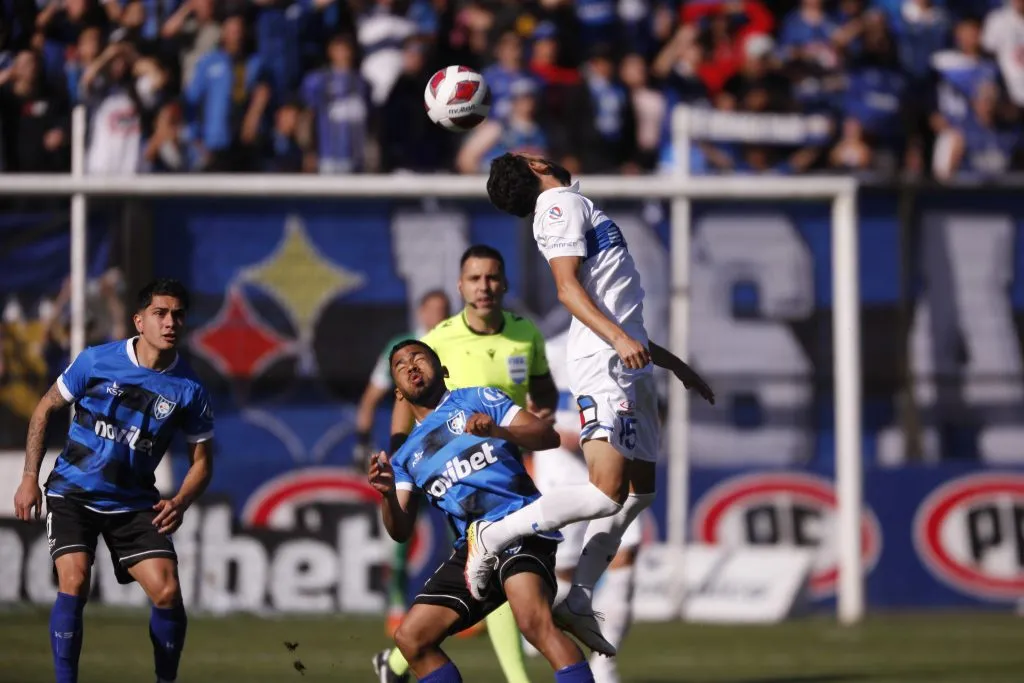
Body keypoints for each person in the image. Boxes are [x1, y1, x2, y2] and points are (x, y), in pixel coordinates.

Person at [473, 153, 714, 655]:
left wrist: (673, 364)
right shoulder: (558, 204)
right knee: (606, 493)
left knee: (638, 494)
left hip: (631, 365)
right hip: (604, 364)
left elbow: (617, 309)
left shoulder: (572, 202)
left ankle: (578, 598)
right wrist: (618, 343)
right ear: (536, 166)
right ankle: (494, 535)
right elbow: (567, 289)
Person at [13, 278, 215, 683]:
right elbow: (44, 410)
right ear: (139, 321)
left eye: (177, 314)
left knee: (168, 591)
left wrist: (182, 501)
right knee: (75, 579)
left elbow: (202, 463)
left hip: (134, 502)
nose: (170, 322)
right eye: (160, 313)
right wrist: (29, 478)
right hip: (72, 493)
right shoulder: (95, 361)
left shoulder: (189, 389)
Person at [375, 244, 558, 683]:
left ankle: (396, 663)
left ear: (505, 283)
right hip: (453, 472)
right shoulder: (436, 341)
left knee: (493, 569)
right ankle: (515, 677)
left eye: (492, 278)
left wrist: (540, 411)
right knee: (488, 560)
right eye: (475, 279)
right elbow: (408, 408)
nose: (484, 287)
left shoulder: (524, 333)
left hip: (511, 456)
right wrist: (406, 465)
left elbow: (544, 390)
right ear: (462, 286)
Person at [368, 340, 595, 683]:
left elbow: (546, 436)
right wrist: (386, 494)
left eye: (420, 358)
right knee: (411, 639)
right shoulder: (403, 459)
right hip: (475, 551)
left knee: (534, 622)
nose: (411, 366)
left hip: (521, 525)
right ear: (398, 392)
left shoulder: (477, 399)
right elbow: (400, 530)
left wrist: (498, 430)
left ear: (443, 371)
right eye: (400, 365)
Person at [527, 331, 640, 683]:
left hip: (612, 475)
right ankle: (535, 621)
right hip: (563, 476)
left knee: (627, 553)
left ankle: (604, 660)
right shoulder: (551, 351)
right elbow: (536, 416)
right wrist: (590, 437)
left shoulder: (625, 345)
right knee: (562, 574)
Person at [354, 289, 451, 638]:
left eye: (444, 311)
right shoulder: (401, 350)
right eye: (432, 310)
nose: (437, 317)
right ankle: (396, 604)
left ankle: (468, 605)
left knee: (463, 528)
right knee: (400, 529)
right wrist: (362, 442)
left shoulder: (453, 343)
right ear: (421, 312)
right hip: (412, 456)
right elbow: (371, 398)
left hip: (450, 453)